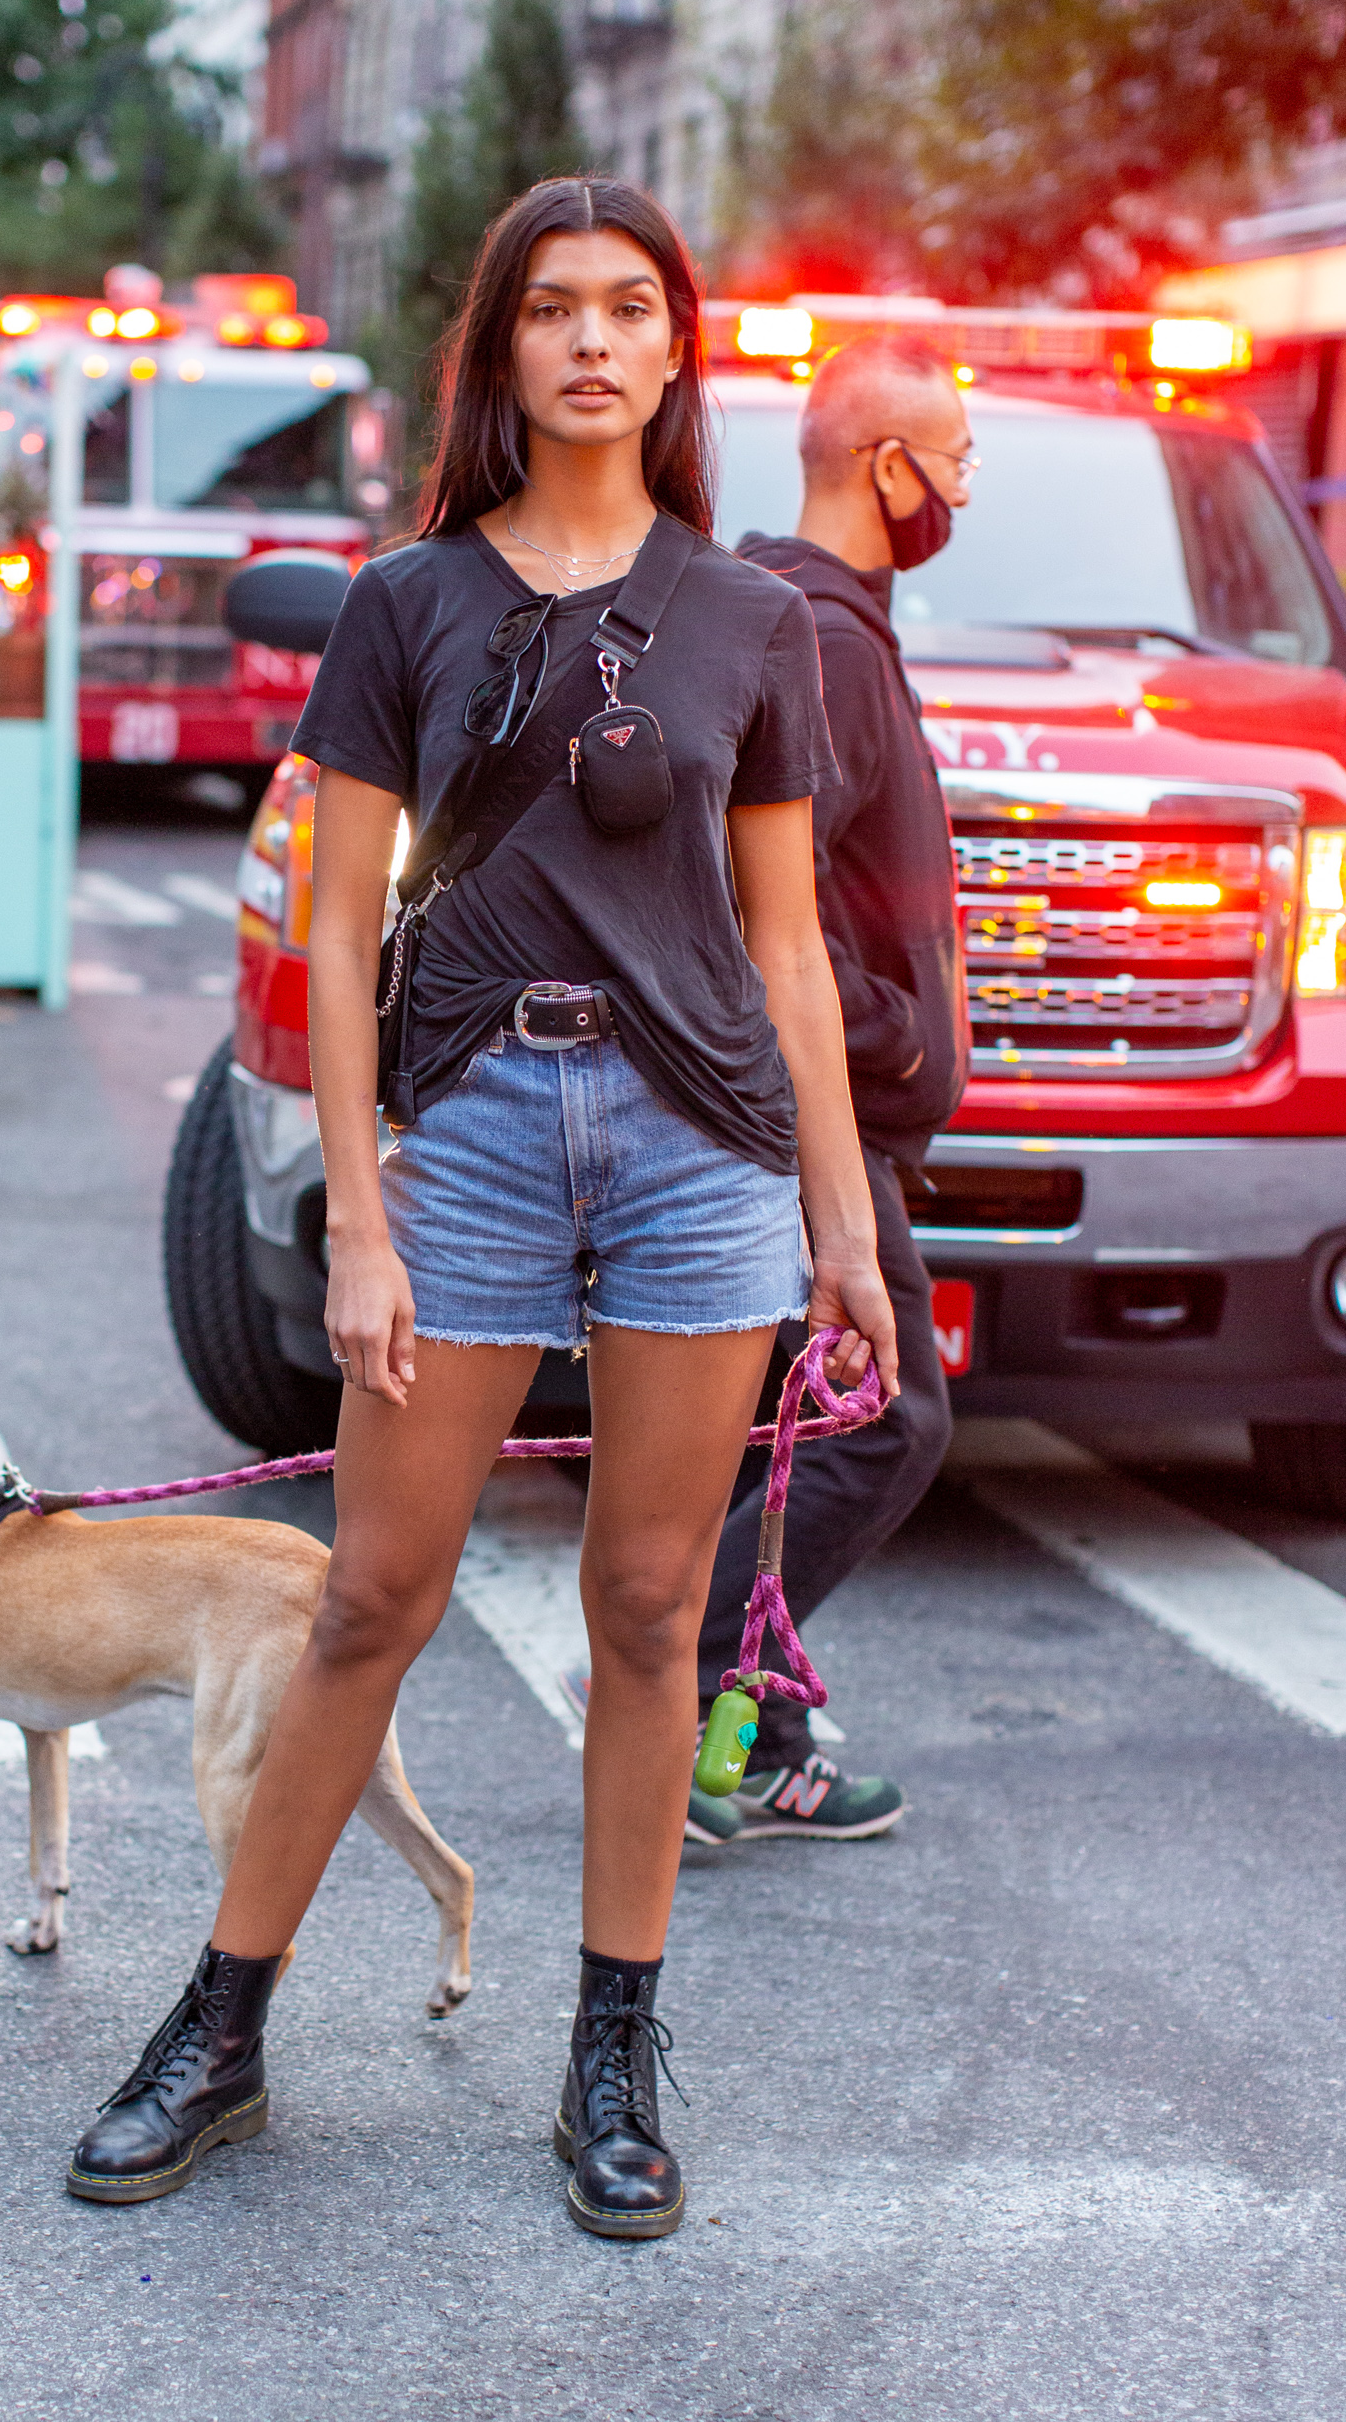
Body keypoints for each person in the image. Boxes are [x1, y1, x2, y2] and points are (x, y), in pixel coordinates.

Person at [63, 180, 896, 2241]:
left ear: (679, 350)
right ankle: (225, 2025)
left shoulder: (754, 622)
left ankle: (613, 2046)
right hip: (481, 1134)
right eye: (554, 311)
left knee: (646, 1608)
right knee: (370, 1595)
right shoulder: (406, 605)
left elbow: (790, 957)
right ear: (505, 353)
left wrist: (847, 1232)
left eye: (630, 309)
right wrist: (359, 1215)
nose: (594, 342)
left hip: (704, 1149)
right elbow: (344, 929)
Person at [690, 335, 973, 1845]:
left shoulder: (795, 617)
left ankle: (760, 1738)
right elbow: (757, 912)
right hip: (828, 1108)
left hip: (829, 1100)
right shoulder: (831, 643)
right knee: (891, 1420)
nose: (961, 490)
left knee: (801, 1429)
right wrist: (901, 1041)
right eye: (958, 460)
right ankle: (686, 1681)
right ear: (888, 467)